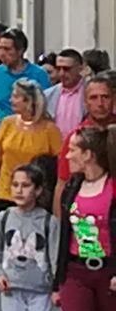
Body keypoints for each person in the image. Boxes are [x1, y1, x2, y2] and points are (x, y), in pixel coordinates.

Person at [53, 125, 116, 311]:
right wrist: (57, 282)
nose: (68, 156)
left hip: (108, 271)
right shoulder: (72, 187)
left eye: (73, 150)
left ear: (88, 154)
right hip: (75, 270)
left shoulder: (112, 187)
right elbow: (65, 236)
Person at [0, 163, 58, 311]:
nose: (19, 190)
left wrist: (57, 288)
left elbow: (55, 258)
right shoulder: (2, 218)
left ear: (38, 190)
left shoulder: (49, 222)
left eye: (26, 185)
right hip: (11, 289)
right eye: (15, 185)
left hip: (40, 290)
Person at [0, 80, 62, 215]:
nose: (10, 100)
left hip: (36, 196)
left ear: (29, 101)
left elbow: (60, 163)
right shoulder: (7, 123)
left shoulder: (50, 129)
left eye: (15, 97)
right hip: (5, 193)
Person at [55, 72, 116, 214]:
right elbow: (62, 183)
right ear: (85, 103)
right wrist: (60, 224)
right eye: (94, 98)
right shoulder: (75, 137)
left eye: (105, 97)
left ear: (113, 99)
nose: (100, 104)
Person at [0, 30, 51, 122]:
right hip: (5, 131)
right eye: (0, 48)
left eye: (7, 49)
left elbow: (46, 105)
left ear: (20, 51)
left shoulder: (39, 74)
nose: (2, 54)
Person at [45, 49, 87, 137]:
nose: (61, 73)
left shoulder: (90, 93)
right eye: (58, 68)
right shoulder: (48, 95)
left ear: (80, 68)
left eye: (67, 69)